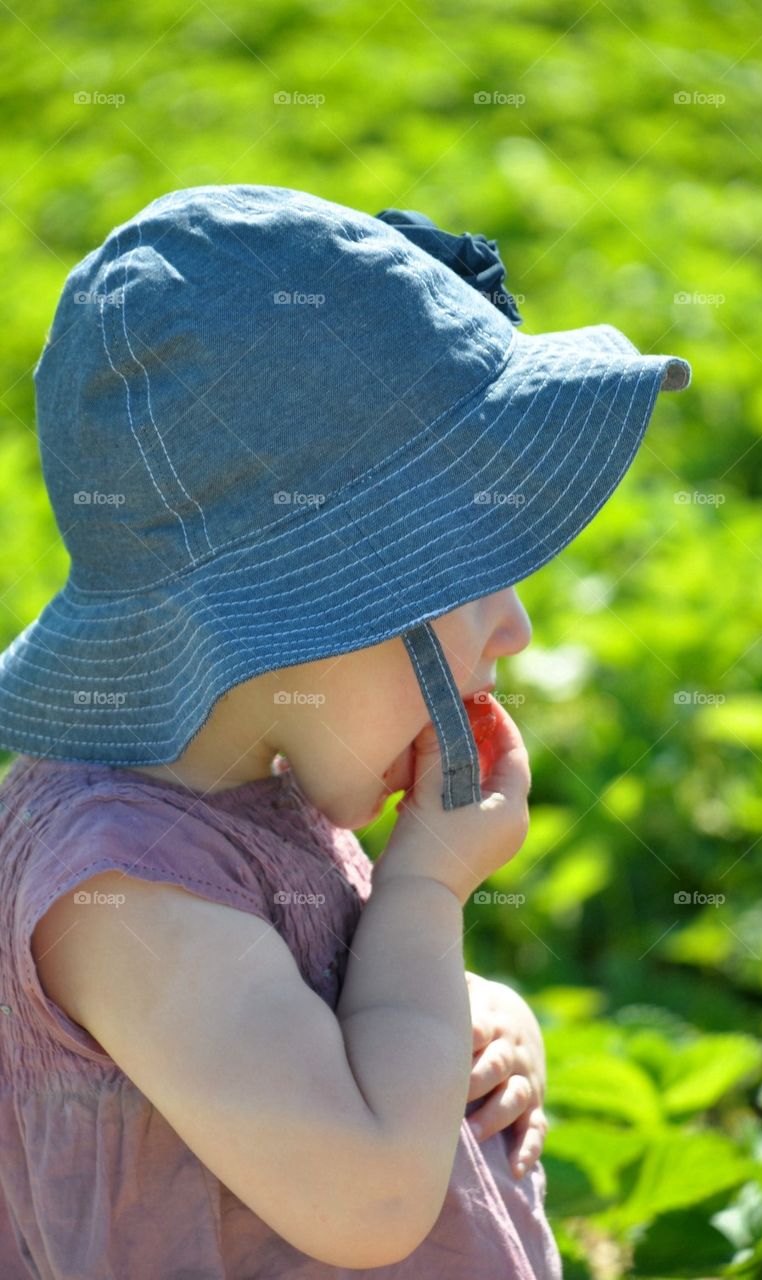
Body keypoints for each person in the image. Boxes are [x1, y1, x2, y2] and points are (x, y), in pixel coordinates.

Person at [0, 184, 691, 1277]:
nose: (512, 627)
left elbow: (313, 1024)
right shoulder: (122, 893)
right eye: (468, 576)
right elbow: (368, 1192)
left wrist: (472, 1010)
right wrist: (424, 889)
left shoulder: (243, 792)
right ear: (305, 599)